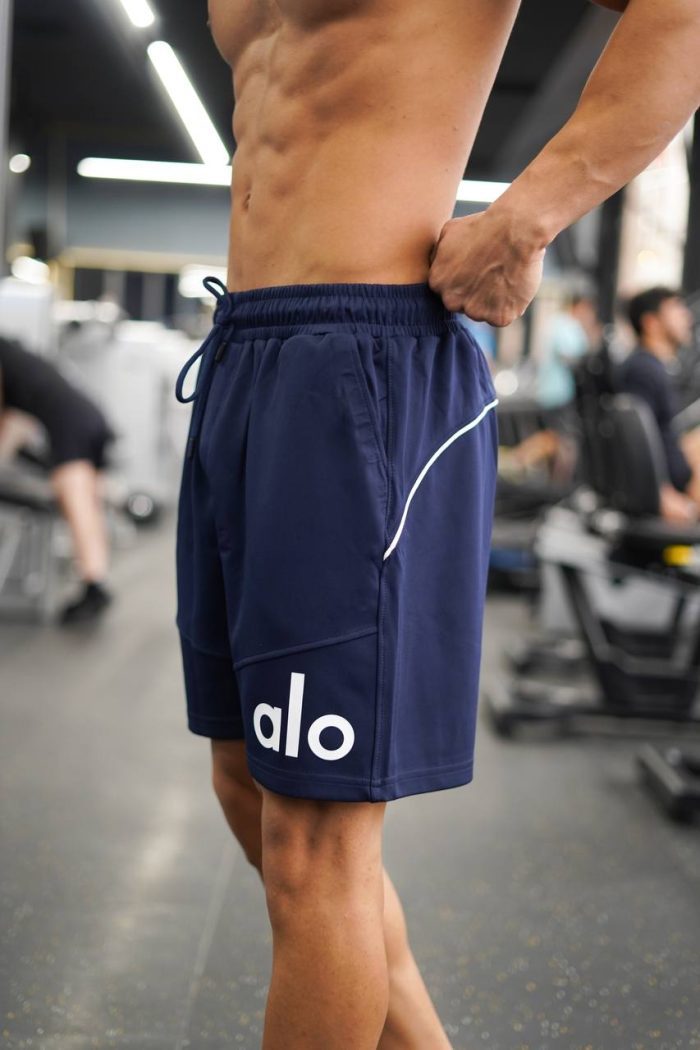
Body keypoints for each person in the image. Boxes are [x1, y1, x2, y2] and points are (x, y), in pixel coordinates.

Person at [175, 1, 700, 1046]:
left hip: (366, 358)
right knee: (243, 782)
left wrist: (528, 213)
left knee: (313, 839)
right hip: (242, 352)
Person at [0, 337, 114, 623]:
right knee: (88, 506)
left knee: (77, 505)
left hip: (71, 423)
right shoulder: (16, 356)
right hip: (88, 416)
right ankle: (96, 580)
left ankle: (94, 586)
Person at [617, 287, 700, 525]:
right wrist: (662, 493)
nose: (687, 317)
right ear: (651, 323)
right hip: (670, 492)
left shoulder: (650, 367)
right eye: (676, 309)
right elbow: (635, 440)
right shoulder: (643, 370)